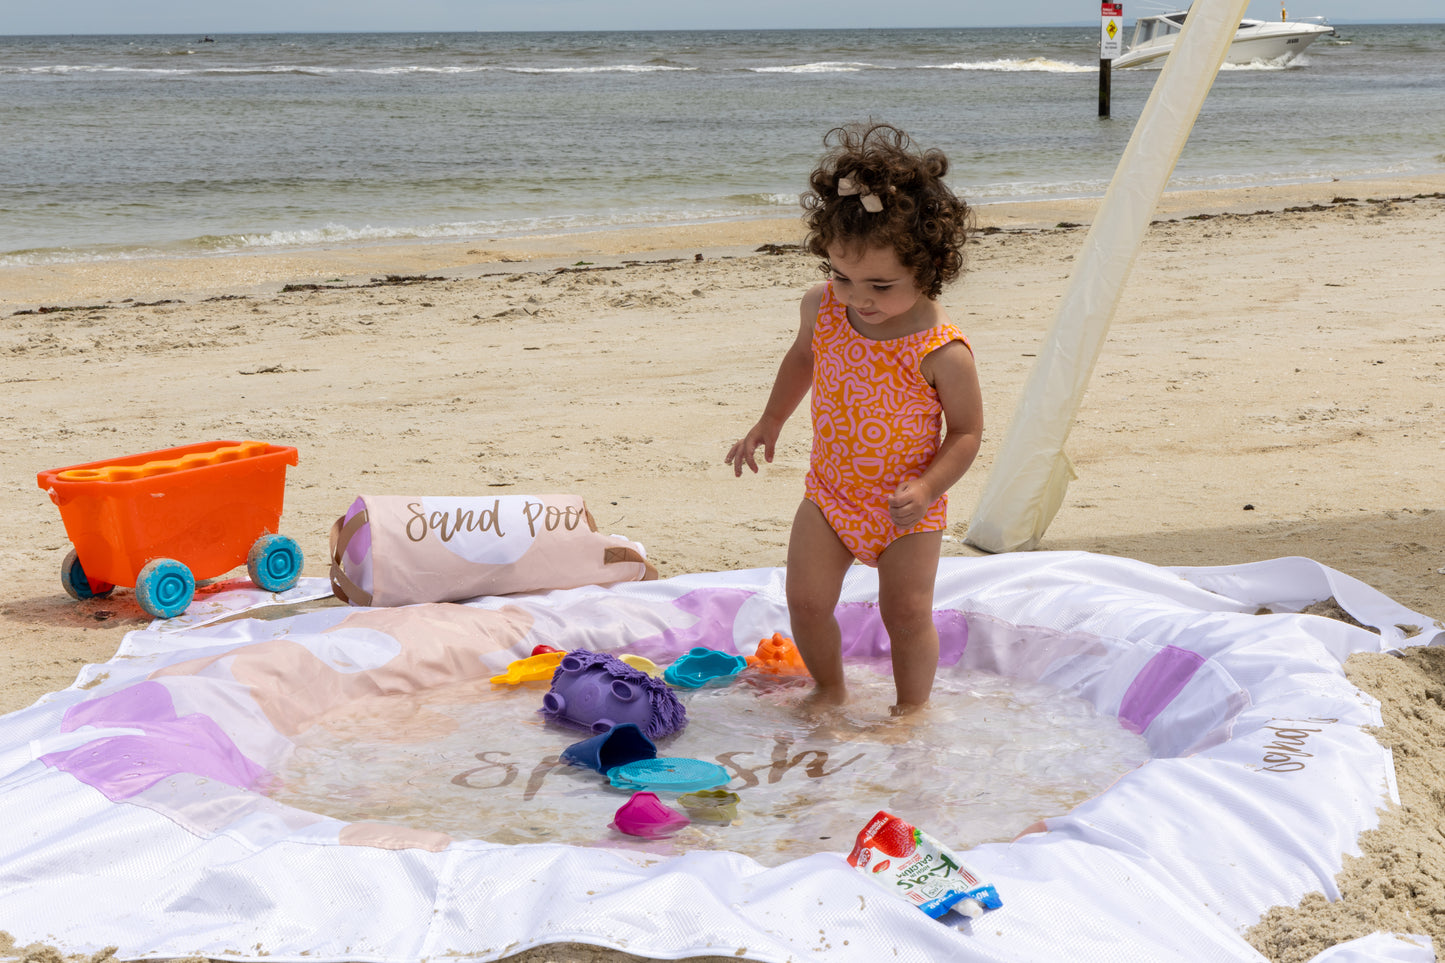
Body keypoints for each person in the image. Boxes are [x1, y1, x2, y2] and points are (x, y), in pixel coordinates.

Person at [725, 122, 983, 716]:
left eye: (881, 284)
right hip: (831, 493)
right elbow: (803, 358)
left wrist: (926, 488)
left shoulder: (941, 350)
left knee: (907, 613)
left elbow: (966, 433)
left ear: (930, 270)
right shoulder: (823, 309)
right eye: (842, 275)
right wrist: (770, 420)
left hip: (906, 508)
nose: (857, 296)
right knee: (807, 601)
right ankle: (830, 689)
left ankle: (911, 709)